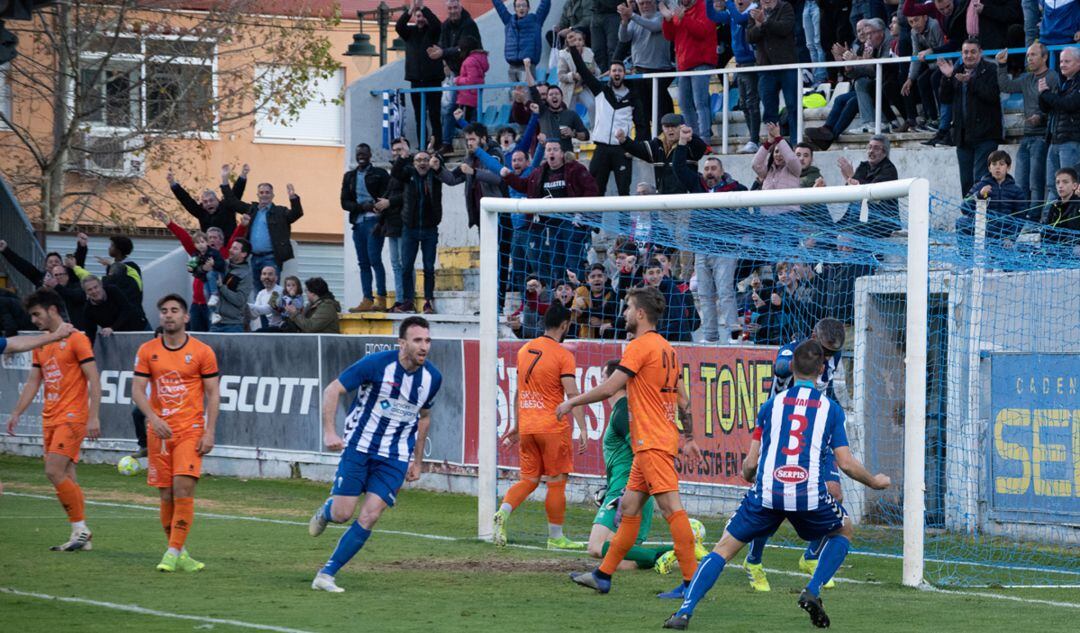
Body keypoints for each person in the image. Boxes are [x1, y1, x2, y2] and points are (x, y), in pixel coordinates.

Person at [663, 341, 891, 631]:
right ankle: (814, 589)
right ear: (822, 370)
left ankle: (684, 612)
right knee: (843, 529)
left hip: (767, 494)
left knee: (723, 549)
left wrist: (750, 475)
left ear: (792, 368)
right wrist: (875, 481)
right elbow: (844, 463)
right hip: (808, 495)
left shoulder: (770, 406)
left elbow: (750, 464)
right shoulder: (830, 410)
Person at [559, 286, 704, 599]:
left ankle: (693, 583)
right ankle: (603, 575)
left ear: (640, 313)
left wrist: (572, 402)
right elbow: (683, 399)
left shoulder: (639, 347)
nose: (623, 313)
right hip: (650, 443)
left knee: (672, 509)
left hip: (652, 442)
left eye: (627, 308)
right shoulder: (668, 349)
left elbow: (610, 388)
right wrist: (688, 436)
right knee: (629, 506)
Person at [308, 316, 442, 592]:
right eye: (417, 340)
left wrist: (417, 461)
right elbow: (333, 389)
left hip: (395, 456)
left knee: (370, 515)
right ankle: (326, 512)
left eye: (427, 340)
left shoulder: (432, 378)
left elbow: (424, 417)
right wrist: (329, 432)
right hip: (359, 447)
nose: (424, 346)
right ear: (401, 343)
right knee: (343, 513)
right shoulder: (377, 364)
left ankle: (326, 574)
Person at [741, 318, 847, 591]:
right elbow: (779, 366)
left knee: (835, 493)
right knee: (772, 502)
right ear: (813, 338)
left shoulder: (831, 357)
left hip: (814, 434)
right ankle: (754, 561)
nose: (829, 357)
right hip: (781, 433)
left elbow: (825, 388)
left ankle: (811, 557)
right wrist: (804, 360)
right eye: (825, 351)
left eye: (833, 352)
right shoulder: (792, 352)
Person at [131, 294, 219, 573]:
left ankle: (170, 552)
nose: (168, 315)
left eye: (174, 310)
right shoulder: (147, 350)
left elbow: (213, 394)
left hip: (190, 431)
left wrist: (209, 431)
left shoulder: (203, 351)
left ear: (186, 317)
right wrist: (153, 418)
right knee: (166, 495)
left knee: (183, 488)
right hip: (159, 433)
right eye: (164, 311)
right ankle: (180, 551)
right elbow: (137, 390)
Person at [6, 290, 99, 551]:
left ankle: (81, 528)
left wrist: (93, 416)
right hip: (50, 416)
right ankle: (80, 533)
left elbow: (94, 378)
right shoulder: (42, 343)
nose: (34, 320)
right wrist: (17, 412)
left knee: (52, 471)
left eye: (37, 314)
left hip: (72, 416)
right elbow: (34, 381)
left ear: (53, 310)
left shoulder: (77, 339)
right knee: (67, 474)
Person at [493, 303, 589, 549]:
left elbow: (517, 393)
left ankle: (502, 513)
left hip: (527, 426)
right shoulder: (562, 354)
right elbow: (572, 393)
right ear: (565, 325)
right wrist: (583, 428)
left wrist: (516, 424)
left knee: (529, 479)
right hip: (552, 427)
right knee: (556, 481)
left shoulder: (525, 349)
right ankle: (556, 538)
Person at [586, 359, 674, 570]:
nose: (601, 382)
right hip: (625, 488)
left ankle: (672, 552)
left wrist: (627, 491)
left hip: (626, 491)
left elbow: (640, 451)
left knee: (597, 547)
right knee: (618, 560)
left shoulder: (623, 412)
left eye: (604, 377)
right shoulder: (623, 410)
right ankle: (675, 553)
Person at [502, 139, 600, 284]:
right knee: (556, 263)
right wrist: (509, 176)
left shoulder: (575, 169)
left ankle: (581, 293)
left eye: (555, 149)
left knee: (573, 261)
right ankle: (561, 296)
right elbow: (524, 186)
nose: (551, 152)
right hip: (551, 226)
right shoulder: (540, 172)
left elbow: (592, 190)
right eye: (548, 150)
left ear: (561, 153)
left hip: (572, 223)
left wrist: (581, 213)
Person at [568, 44, 647, 196]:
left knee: (624, 192)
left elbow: (642, 126)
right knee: (595, 191)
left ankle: (624, 221)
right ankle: (593, 221)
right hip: (602, 149)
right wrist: (572, 49)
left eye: (620, 70)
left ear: (624, 73)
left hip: (622, 150)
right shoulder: (600, 91)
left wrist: (634, 149)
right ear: (609, 73)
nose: (617, 73)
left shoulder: (633, 97)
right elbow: (583, 71)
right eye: (614, 70)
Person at [938, 38, 1002, 199]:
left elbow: (992, 96)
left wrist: (970, 81)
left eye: (973, 52)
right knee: (966, 182)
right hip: (962, 136)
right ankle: (968, 218)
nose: (969, 55)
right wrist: (947, 77)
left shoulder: (991, 69)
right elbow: (944, 98)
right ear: (961, 54)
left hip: (985, 135)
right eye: (966, 52)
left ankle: (982, 219)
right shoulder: (956, 70)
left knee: (981, 180)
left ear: (980, 53)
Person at [997, 44, 1056, 209]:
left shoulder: (1052, 77)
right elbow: (1006, 86)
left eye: (1033, 55)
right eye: (1028, 55)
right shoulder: (1026, 78)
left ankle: (1035, 219)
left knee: (1036, 183)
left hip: (1042, 135)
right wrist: (1002, 66)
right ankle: (1023, 219)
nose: (1029, 58)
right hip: (1027, 135)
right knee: (1021, 182)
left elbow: (1056, 105)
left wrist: (1041, 116)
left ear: (1044, 57)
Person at [341, 143, 392, 313]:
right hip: (358, 223)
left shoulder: (380, 173)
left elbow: (387, 195)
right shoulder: (349, 176)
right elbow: (344, 202)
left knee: (374, 259)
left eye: (364, 153)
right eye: (358, 153)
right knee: (363, 263)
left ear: (370, 155)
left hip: (375, 222)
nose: (361, 155)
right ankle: (367, 299)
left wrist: (379, 215)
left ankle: (381, 299)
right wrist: (363, 207)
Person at [392, 150, 443, 315]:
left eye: (425, 160)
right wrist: (402, 157)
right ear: (413, 163)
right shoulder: (408, 175)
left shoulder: (435, 176)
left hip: (430, 229)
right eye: (418, 160)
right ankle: (408, 301)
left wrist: (438, 159)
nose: (422, 163)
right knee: (406, 266)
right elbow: (395, 173)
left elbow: (445, 173)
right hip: (410, 228)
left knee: (429, 267)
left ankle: (428, 301)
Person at [428, 0, 482, 154]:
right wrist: (443, 59)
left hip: (471, 72)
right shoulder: (445, 25)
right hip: (454, 72)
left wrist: (442, 53)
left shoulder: (469, 24)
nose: (453, 11)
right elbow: (442, 46)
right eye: (450, 8)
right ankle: (446, 142)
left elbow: (462, 47)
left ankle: (476, 141)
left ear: (460, 7)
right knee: (448, 107)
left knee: (471, 108)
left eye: (455, 7)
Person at [221, 179, 303, 279]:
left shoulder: (280, 212)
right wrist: (225, 179)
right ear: (258, 195)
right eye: (261, 192)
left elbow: (296, 214)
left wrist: (293, 197)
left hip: (271, 258)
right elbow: (232, 203)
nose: (264, 195)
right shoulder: (252, 209)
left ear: (272, 195)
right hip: (253, 258)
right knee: (257, 291)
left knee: (273, 291)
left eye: (267, 192)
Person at [708, 0, 761, 153]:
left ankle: (754, 140)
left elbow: (739, 19)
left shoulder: (754, 10)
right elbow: (712, 16)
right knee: (744, 103)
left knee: (752, 101)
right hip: (740, 64)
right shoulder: (733, 12)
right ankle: (753, 139)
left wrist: (728, 3)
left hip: (753, 63)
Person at [660, 0, 718, 141]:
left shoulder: (704, 7)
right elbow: (669, 35)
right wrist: (667, 20)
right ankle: (693, 139)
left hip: (701, 62)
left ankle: (704, 140)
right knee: (684, 104)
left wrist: (683, 18)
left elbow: (703, 31)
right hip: (683, 64)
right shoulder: (680, 9)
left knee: (700, 102)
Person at [619, 0, 675, 134]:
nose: (644, 6)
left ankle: (661, 140)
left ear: (654, 3)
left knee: (660, 110)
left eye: (647, 2)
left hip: (659, 70)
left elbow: (654, 26)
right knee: (642, 113)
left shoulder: (661, 17)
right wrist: (624, 22)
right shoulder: (635, 20)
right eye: (641, 3)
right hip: (639, 71)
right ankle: (644, 143)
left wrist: (632, 15)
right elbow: (624, 38)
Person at [616, 113, 708, 195]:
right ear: (662, 128)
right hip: (664, 200)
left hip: (686, 199)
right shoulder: (657, 144)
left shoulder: (689, 143)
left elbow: (701, 148)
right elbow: (640, 149)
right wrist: (624, 141)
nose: (670, 129)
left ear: (681, 127)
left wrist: (690, 138)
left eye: (674, 126)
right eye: (667, 126)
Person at [746, 0, 798, 143]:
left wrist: (765, 21)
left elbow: (785, 28)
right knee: (769, 109)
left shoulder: (786, 7)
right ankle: (774, 144)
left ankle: (795, 142)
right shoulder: (754, 11)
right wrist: (759, 25)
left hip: (787, 66)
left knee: (793, 105)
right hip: (765, 69)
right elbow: (750, 37)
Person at [397, 0, 443, 149]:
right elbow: (399, 26)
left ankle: (438, 144)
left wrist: (423, 8)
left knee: (435, 114)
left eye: (422, 16)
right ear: (414, 18)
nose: (420, 19)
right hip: (416, 80)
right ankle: (422, 144)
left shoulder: (433, 31)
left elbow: (437, 23)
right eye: (418, 16)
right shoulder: (409, 32)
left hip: (433, 79)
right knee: (419, 115)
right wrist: (410, 11)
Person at [958, 150, 1028, 243]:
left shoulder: (1016, 190)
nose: (997, 167)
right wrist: (979, 195)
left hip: (1004, 233)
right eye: (994, 164)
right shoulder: (980, 186)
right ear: (989, 168)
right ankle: (966, 256)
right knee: (961, 222)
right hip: (983, 230)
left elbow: (1020, 217)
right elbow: (964, 208)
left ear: (1008, 167)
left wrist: (1011, 237)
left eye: (1001, 164)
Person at [1038, 47, 1080, 201]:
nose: (1062, 64)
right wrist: (1042, 94)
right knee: (1052, 186)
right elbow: (1047, 108)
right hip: (1055, 140)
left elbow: (1069, 104)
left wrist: (1047, 94)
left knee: (1070, 187)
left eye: (1067, 61)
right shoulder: (1064, 83)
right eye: (1061, 61)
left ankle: (1069, 223)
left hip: (1071, 142)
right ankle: (1049, 224)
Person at [837, 135, 901, 236]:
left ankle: (849, 233)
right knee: (827, 234)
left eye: (876, 148)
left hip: (880, 222)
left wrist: (851, 176)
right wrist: (848, 179)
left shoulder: (889, 170)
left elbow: (871, 194)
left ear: (885, 152)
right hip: (858, 219)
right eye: (870, 147)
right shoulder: (864, 166)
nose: (871, 151)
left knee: (857, 206)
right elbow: (852, 188)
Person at [166, 164, 244, 238]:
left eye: (211, 200)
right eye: (205, 202)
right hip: (210, 248)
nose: (208, 203)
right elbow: (186, 200)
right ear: (202, 204)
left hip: (229, 247)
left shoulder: (227, 207)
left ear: (217, 200)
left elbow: (235, 194)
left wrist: (243, 176)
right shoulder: (201, 212)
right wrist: (173, 183)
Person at [493, 0, 551, 83]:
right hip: (512, 67)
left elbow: (545, 5)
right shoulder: (509, 21)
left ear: (528, 8)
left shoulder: (536, 21)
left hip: (528, 66)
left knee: (528, 93)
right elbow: (499, 6)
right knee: (514, 94)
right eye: (518, 6)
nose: (521, 8)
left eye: (524, 5)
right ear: (514, 8)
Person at [81, 275, 149, 335]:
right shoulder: (88, 309)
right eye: (89, 290)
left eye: (96, 287)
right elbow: (90, 332)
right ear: (86, 292)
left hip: (140, 326)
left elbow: (126, 309)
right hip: (120, 335)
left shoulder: (112, 290)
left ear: (101, 285)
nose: (94, 291)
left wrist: (112, 328)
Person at [211, 238, 254, 333]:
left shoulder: (246, 274)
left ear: (244, 254)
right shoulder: (223, 264)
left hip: (233, 325)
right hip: (215, 321)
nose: (230, 250)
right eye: (231, 247)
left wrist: (222, 287)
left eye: (235, 248)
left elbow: (240, 300)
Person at [572, 264, 620, 338]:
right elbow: (573, 317)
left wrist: (601, 322)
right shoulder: (581, 291)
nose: (597, 279)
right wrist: (588, 321)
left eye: (600, 276)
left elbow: (614, 316)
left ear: (605, 278)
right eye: (593, 277)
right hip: (586, 339)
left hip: (609, 338)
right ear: (587, 280)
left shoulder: (612, 294)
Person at [453, 36, 490, 123]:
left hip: (466, 97)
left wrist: (457, 80)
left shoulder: (470, 61)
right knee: (471, 120)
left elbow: (471, 80)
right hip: (474, 95)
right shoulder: (479, 58)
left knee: (465, 122)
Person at [1041, 167, 1080, 247]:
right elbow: (1046, 231)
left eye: (1065, 182)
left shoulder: (1078, 206)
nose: (1060, 186)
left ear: (1074, 186)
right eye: (1057, 182)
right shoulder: (1054, 206)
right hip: (1052, 250)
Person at [249, 266, 284, 330]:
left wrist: (247, 306)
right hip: (267, 327)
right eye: (264, 274)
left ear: (276, 278)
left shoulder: (278, 291)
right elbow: (255, 314)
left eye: (270, 274)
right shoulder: (261, 293)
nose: (266, 277)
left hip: (278, 328)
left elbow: (269, 308)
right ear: (261, 277)